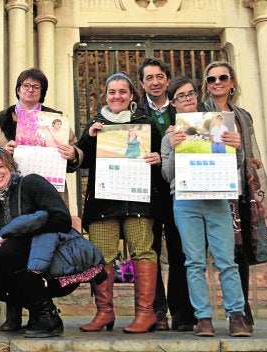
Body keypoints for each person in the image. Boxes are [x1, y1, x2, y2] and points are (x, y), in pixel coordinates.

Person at [0, 68, 83, 331]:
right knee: (8, 250)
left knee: (28, 251)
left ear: (42, 91)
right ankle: (15, 314)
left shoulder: (56, 120)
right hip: (6, 197)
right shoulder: (0, 120)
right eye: (26, 85)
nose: (30, 90)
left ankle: (41, 310)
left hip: (46, 192)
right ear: (18, 89)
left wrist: (73, 153)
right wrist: (0, 150)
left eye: (36, 86)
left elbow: (75, 151)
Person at [161, 75, 251, 337]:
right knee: (194, 262)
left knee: (227, 261)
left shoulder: (219, 127)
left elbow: (234, 164)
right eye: (180, 97)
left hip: (216, 199)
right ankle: (203, 318)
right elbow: (167, 174)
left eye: (190, 94)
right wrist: (177, 149)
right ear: (173, 103)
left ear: (196, 98)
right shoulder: (170, 137)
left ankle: (236, 316)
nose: (187, 100)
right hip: (185, 202)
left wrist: (238, 148)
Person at [77, 72, 161, 334]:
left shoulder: (144, 123)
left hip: (137, 202)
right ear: (105, 95)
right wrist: (90, 137)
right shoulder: (96, 123)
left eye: (122, 92)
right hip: (104, 203)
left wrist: (157, 157)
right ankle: (104, 312)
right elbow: (81, 161)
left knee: (143, 252)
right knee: (102, 256)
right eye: (112, 92)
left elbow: (159, 157)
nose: (117, 96)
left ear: (132, 95)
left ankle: (146, 314)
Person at [0, 147, 78, 338]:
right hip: (20, 266)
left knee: (12, 249)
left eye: (0, 166)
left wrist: (21, 235)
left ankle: (48, 315)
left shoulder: (31, 183)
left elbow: (62, 219)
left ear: (11, 166)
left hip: (54, 260)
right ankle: (37, 310)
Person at [202, 61, 267, 333]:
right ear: (206, 85)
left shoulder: (244, 116)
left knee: (240, 251)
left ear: (232, 83)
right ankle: (212, 312)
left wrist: (259, 193)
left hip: (241, 188)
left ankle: (242, 309)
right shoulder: (200, 112)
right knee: (221, 252)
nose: (217, 82)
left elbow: (253, 155)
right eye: (211, 79)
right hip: (213, 188)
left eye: (222, 77)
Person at [138, 58, 195, 332]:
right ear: (142, 83)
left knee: (180, 251)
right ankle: (157, 312)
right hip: (146, 192)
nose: (155, 82)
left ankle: (183, 313)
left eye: (160, 76)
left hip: (179, 190)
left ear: (167, 79)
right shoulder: (134, 113)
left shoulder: (184, 111)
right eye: (149, 78)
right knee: (150, 253)